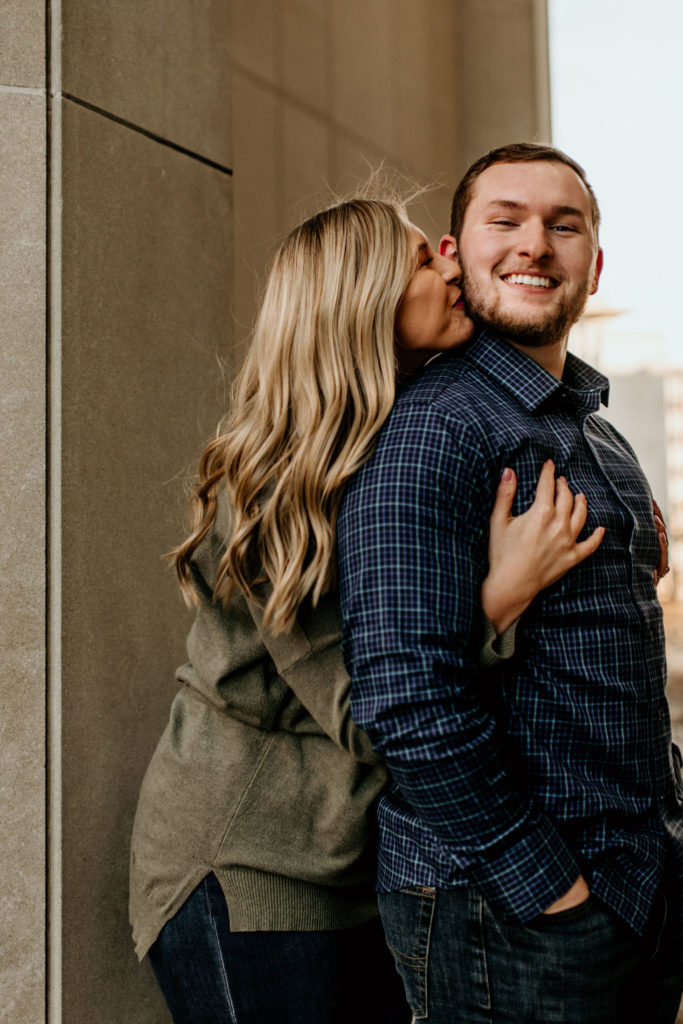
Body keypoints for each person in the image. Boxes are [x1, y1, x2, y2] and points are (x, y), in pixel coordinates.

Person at [129, 195, 605, 1024]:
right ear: (363, 295)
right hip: (251, 876)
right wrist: (501, 595)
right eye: (425, 260)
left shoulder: (388, 444)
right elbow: (371, 710)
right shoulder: (279, 483)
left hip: (345, 869)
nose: (452, 266)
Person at [337, 144, 683, 1024]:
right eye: (506, 221)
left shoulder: (599, 438)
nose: (535, 243)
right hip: (512, 910)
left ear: (592, 265)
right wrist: (552, 892)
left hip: (635, 894)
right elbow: (406, 699)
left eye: (562, 227)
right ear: (455, 251)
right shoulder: (432, 427)